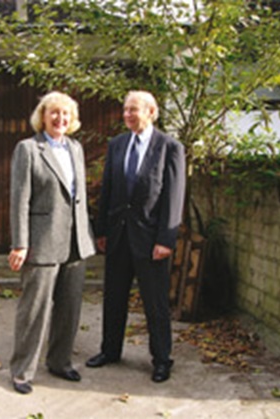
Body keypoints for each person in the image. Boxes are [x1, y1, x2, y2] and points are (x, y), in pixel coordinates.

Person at [86, 90, 186, 383]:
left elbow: (174, 197)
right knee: (114, 298)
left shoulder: (170, 147)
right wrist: (101, 230)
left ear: (151, 112)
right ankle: (110, 350)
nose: (127, 115)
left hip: (151, 240)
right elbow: (107, 190)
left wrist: (166, 239)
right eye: (125, 110)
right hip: (118, 236)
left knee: (155, 304)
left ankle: (162, 360)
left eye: (133, 110)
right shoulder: (117, 144)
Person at [8, 91, 96, 394]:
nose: (60, 118)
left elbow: (77, 197)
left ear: (73, 119)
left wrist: (88, 234)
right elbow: (19, 200)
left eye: (66, 114)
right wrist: (20, 243)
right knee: (34, 310)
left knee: (69, 309)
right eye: (54, 113)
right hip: (42, 242)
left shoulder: (76, 148)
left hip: (76, 241)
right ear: (42, 117)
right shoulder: (28, 149)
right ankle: (22, 371)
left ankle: (60, 362)